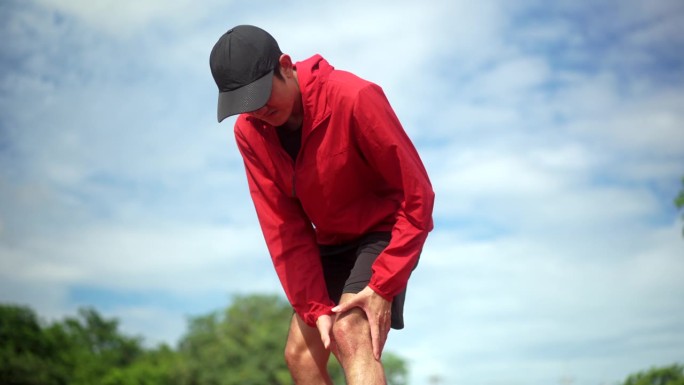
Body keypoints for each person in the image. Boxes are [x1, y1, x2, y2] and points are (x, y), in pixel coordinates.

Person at [209, 25, 435, 385]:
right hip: (329, 242)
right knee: (300, 353)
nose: (258, 110)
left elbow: (418, 197)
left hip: (383, 231)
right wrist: (313, 307)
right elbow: (284, 227)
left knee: (350, 333)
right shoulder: (249, 132)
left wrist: (383, 284)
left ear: (284, 66)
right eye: (246, 103)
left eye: (262, 95)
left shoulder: (354, 97)